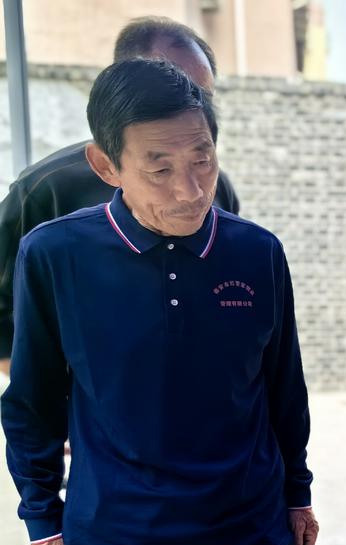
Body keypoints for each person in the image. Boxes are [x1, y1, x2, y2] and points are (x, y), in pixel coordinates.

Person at [1, 58, 317, 545]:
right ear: (107, 165)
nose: (190, 189)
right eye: (159, 168)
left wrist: (297, 496)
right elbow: (31, 405)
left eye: (202, 159)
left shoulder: (257, 253)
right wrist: (43, 523)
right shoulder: (54, 255)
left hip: (251, 537)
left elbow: (283, 389)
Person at [0, 16, 240, 375]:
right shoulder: (46, 189)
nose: (184, 104)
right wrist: (64, 397)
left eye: (200, 94)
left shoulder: (219, 189)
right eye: (166, 85)